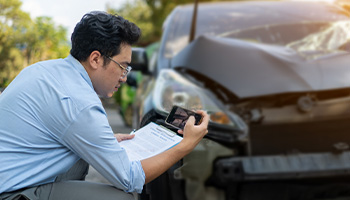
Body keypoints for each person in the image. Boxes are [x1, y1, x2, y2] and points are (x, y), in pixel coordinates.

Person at [0, 11, 209, 200]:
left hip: (11, 177)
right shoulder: (79, 101)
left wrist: (104, 141)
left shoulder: (45, 70)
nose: (124, 77)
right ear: (96, 59)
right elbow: (130, 179)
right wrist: (185, 145)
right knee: (123, 198)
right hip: (10, 193)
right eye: (123, 67)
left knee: (80, 159)